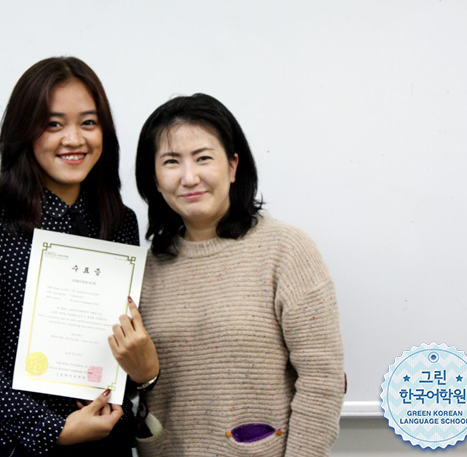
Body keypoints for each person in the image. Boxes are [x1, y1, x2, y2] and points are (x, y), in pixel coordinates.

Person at [0, 56, 157, 456]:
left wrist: (138, 374)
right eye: (53, 124)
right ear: (24, 132)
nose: (74, 139)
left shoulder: (119, 222)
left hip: (106, 442)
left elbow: (118, 343)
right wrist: (50, 428)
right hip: (13, 446)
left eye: (88, 122)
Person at [134, 93, 344, 456]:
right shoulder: (145, 269)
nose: (189, 177)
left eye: (203, 158)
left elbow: (323, 381)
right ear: (154, 177)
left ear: (232, 167)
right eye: (171, 161)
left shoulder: (287, 250)